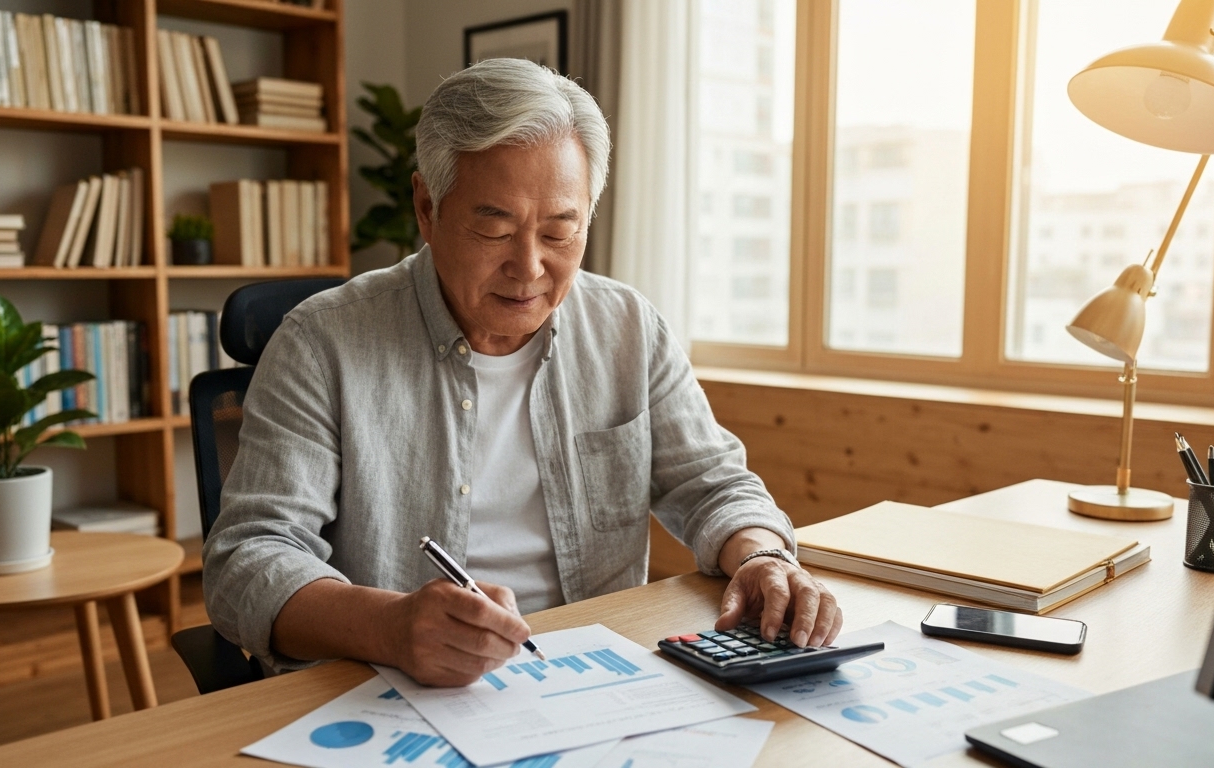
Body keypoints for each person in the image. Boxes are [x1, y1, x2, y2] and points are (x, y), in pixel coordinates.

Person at [202, 58, 842, 686]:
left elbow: (711, 484)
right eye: (495, 229)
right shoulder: (323, 343)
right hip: (398, 690)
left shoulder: (626, 327)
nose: (530, 268)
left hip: (600, 677)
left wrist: (760, 556)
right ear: (427, 208)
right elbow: (248, 560)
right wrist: (391, 626)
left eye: (561, 232)